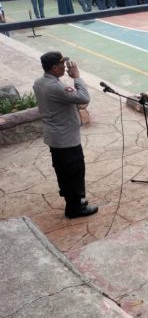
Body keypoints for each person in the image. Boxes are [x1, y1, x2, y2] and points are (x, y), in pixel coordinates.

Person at [33, 52, 98, 219]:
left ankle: (73, 202)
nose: (66, 67)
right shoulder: (56, 87)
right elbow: (83, 97)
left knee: (63, 171)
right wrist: (77, 78)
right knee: (74, 171)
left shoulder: (39, 82)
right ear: (54, 68)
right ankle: (74, 209)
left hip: (55, 137)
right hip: (66, 138)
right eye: (62, 64)